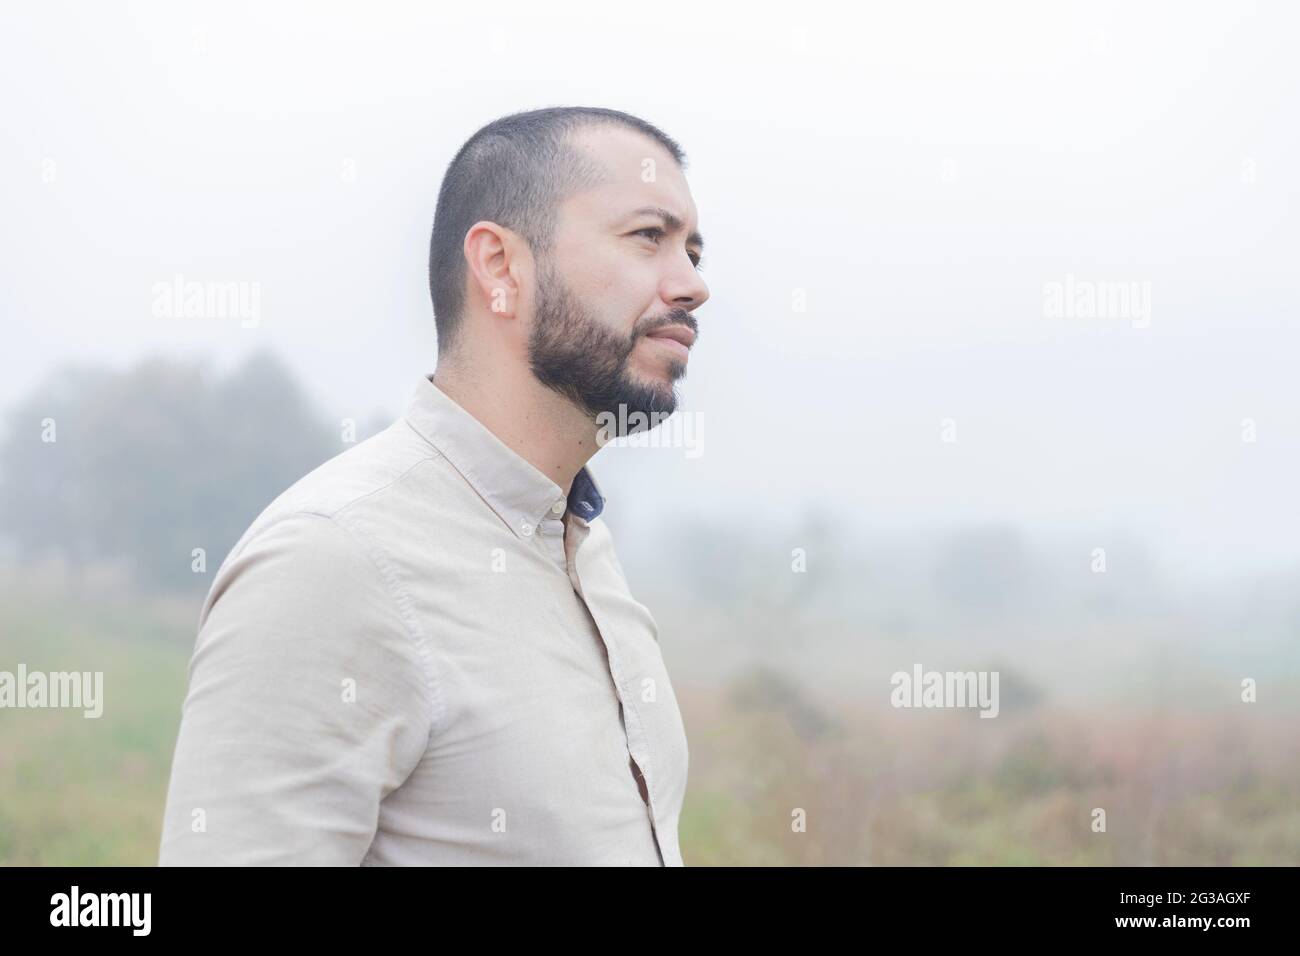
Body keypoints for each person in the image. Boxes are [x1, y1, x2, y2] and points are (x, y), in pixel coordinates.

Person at [158, 106, 710, 865]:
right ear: (499, 267)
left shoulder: (583, 545)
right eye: (650, 236)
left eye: (694, 250)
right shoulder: (332, 560)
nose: (692, 285)